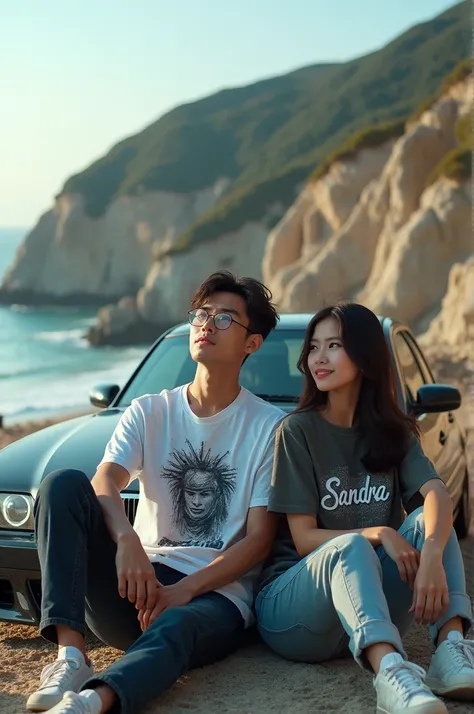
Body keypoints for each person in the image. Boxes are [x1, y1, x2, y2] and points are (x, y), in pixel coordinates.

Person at [27, 271, 284, 714]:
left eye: (225, 318)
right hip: (138, 585)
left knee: (179, 625)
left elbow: (259, 540)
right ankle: (70, 657)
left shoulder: (270, 426)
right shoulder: (149, 410)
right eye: (202, 314)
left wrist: (185, 591)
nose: (207, 324)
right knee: (62, 483)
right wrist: (127, 541)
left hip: (213, 596)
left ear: (251, 344)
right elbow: (104, 480)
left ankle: (91, 702)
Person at [256, 303, 474, 714]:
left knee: (433, 517)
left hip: (370, 602)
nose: (318, 358)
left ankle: (451, 647)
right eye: (314, 347)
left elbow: (438, 496)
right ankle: (390, 672)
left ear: (365, 354)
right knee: (352, 546)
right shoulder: (297, 431)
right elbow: (304, 541)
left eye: (334, 345)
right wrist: (381, 533)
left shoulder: (394, 432)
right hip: (297, 612)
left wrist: (429, 553)